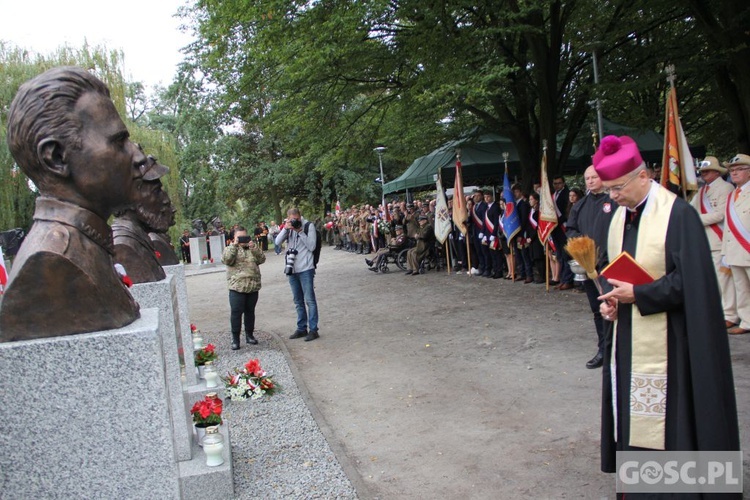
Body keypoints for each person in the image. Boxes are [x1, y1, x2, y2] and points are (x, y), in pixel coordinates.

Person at [595, 135, 739, 478]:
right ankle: (642, 482)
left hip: (675, 339)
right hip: (631, 332)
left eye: (618, 187)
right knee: (637, 413)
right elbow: (614, 269)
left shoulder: (679, 215)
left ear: (643, 176)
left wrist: (640, 295)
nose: (613, 196)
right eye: (609, 189)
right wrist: (613, 302)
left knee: (674, 417)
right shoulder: (621, 217)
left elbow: (694, 283)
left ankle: (680, 487)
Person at [0, 66, 142, 341]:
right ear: (56, 158)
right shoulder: (50, 261)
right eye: (120, 141)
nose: (137, 156)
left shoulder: (88, 245)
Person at [565, 166, 614, 369]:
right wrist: (583, 250)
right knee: (597, 310)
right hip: (589, 265)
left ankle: (616, 349)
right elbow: (571, 229)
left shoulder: (614, 201)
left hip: (611, 265)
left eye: (594, 177)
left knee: (613, 307)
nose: (591, 181)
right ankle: (603, 349)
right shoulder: (581, 205)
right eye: (587, 178)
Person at [689, 156, 738, 331]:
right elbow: (690, 209)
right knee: (712, 280)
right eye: (702, 172)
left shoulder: (726, 188)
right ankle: (719, 311)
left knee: (724, 280)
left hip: (719, 239)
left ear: (717, 172)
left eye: (707, 171)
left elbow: (719, 214)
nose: (703, 174)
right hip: (705, 240)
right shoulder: (702, 191)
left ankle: (730, 314)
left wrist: (694, 219)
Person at [112, 154, 173, 284]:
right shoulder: (123, 245)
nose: (166, 200)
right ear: (132, 196)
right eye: (156, 191)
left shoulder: (139, 238)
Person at [275, 208, 319, 341]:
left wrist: (300, 231)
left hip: (306, 268)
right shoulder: (288, 228)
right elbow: (277, 242)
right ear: (288, 218)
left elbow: (312, 246)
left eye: (296, 219)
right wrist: (286, 228)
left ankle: (313, 329)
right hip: (292, 269)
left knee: (309, 300)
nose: (295, 221)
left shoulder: (308, 226)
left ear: (300, 217)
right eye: (292, 219)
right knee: (298, 301)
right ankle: (301, 328)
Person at [221, 226, 266, 349]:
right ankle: (235, 339)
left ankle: (249, 335)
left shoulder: (252, 248)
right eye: (239, 237)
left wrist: (253, 247)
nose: (242, 239)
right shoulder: (230, 249)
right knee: (236, 312)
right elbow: (226, 260)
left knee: (250, 312)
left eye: (244, 236)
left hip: (252, 285)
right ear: (233, 238)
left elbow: (262, 259)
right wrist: (234, 245)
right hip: (237, 286)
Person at [722, 153, 750, 335]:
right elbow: (727, 226)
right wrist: (725, 252)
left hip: (747, 246)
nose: (734, 173)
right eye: (732, 170)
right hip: (735, 249)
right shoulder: (732, 195)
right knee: (741, 289)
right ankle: (747, 321)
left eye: (739, 169)